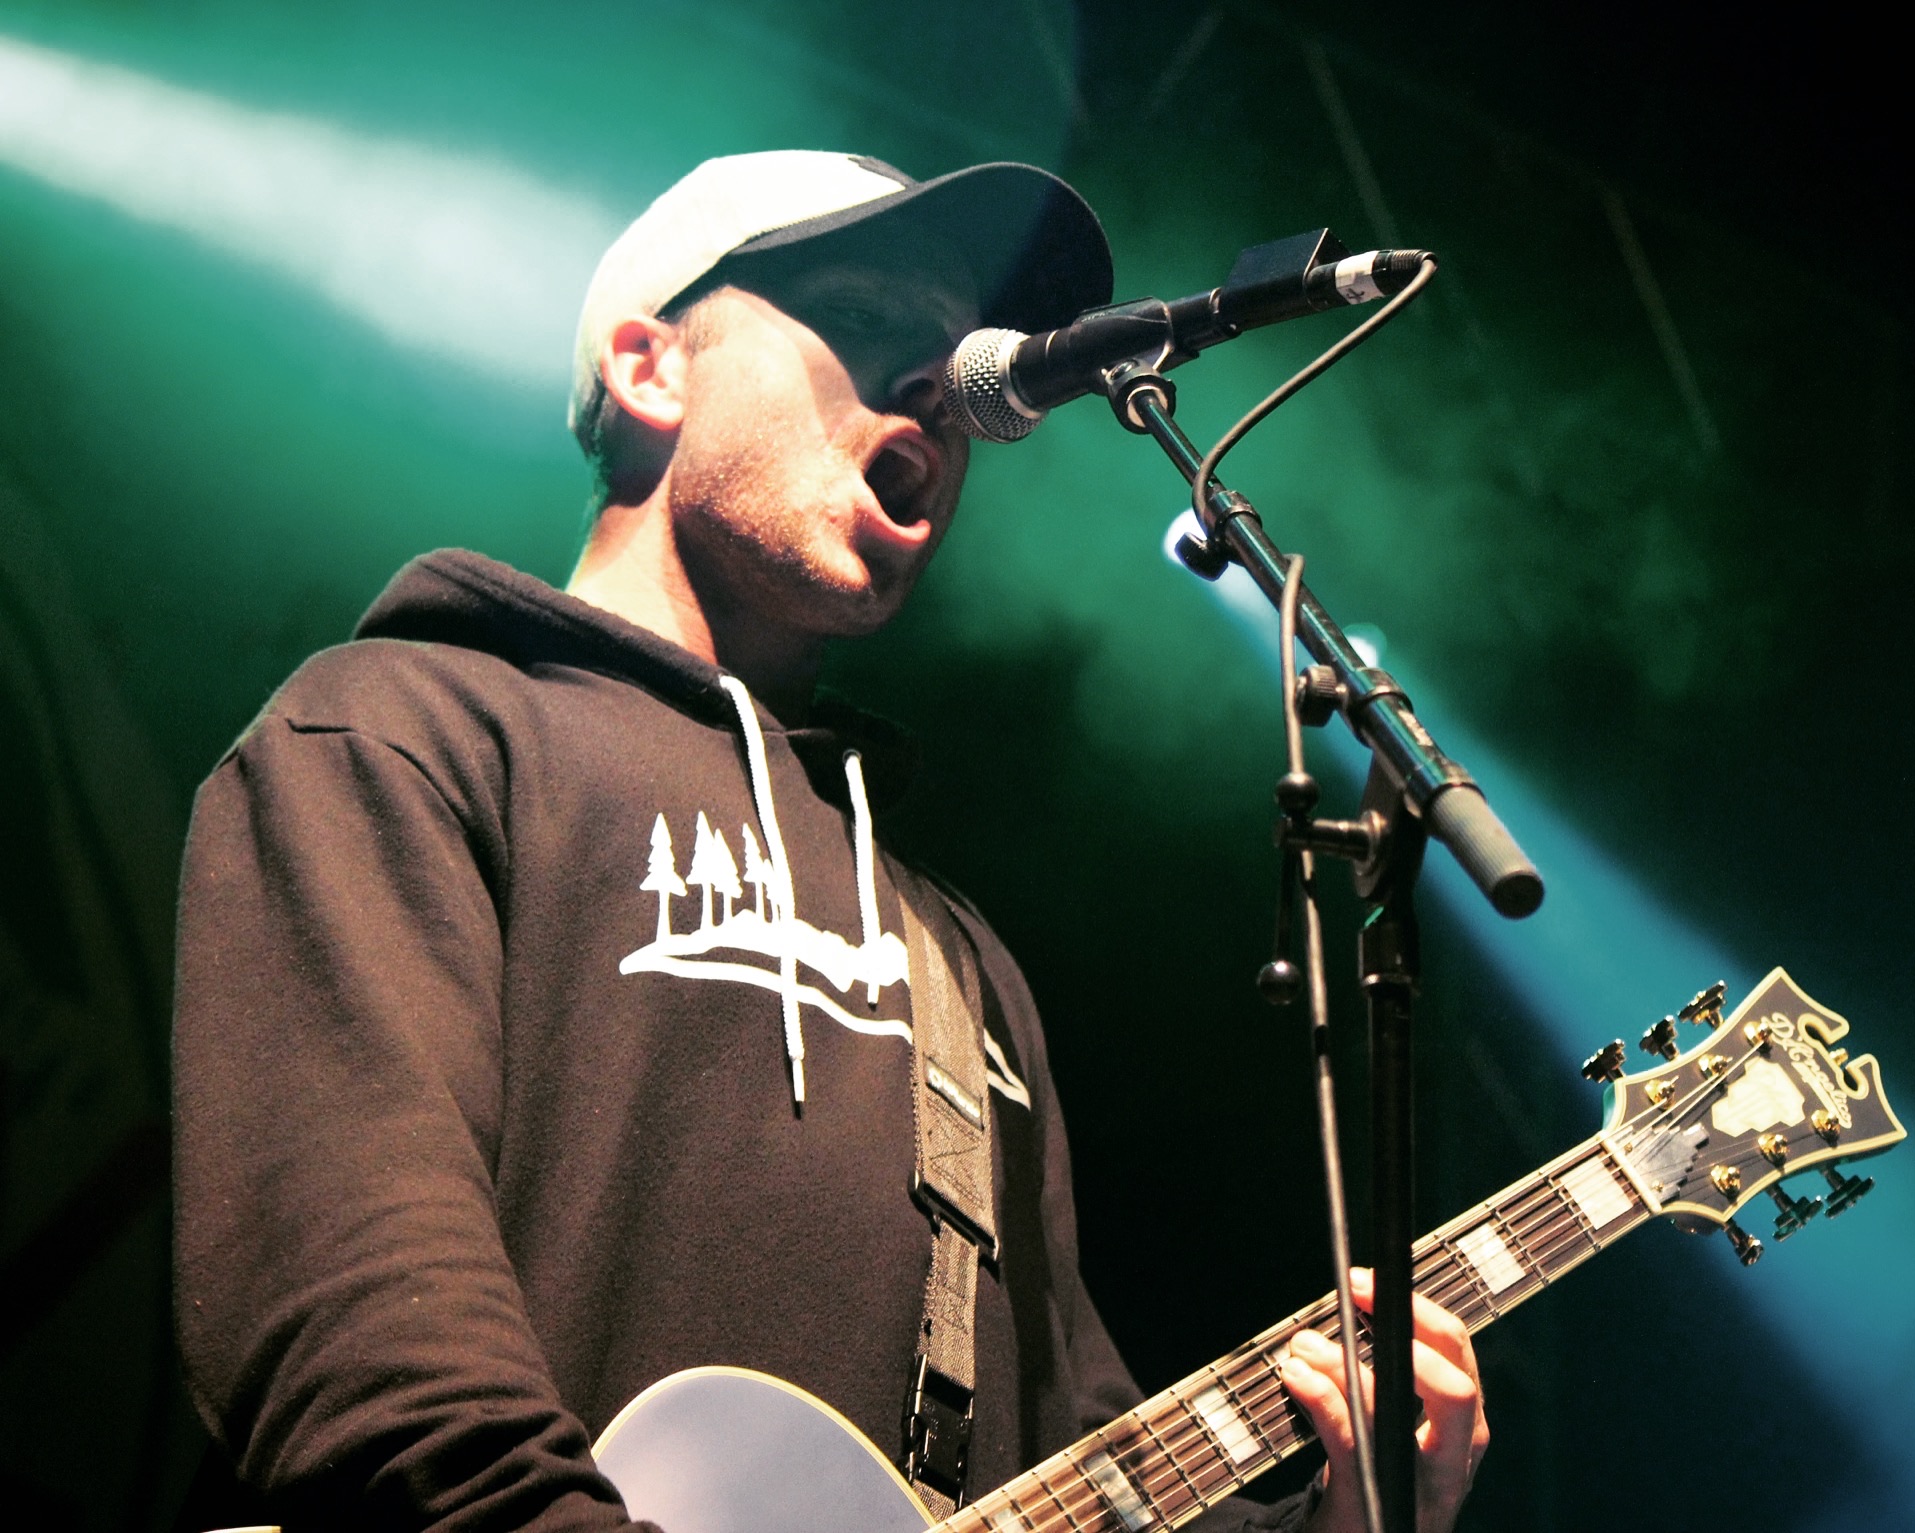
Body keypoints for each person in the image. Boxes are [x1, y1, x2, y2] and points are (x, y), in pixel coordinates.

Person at [171, 151, 1487, 1533]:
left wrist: (1335, 1521)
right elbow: (360, 1328)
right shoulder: (400, 734)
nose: (944, 391)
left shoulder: (961, 964)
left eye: (963, 368)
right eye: (865, 321)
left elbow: (1066, 1452)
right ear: (649, 369)